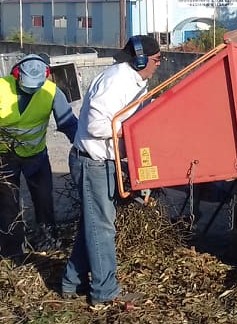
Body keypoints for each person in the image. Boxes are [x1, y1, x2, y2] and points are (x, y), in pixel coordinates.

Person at [61, 35, 162, 309]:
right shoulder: (116, 80)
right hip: (92, 161)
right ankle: (105, 291)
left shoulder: (135, 81)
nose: (158, 64)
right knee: (102, 228)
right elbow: (95, 125)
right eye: (155, 59)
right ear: (140, 59)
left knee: (92, 225)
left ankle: (72, 281)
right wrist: (131, 133)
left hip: (105, 161)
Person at [0, 53, 78, 261]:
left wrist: (84, 145)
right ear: (17, 74)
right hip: (3, 156)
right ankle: (12, 250)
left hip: (36, 157)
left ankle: (47, 241)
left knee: (44, 201)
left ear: (45, 76)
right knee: (8, 205)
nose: (33, 90)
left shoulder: (52, 91)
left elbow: (69, 123)